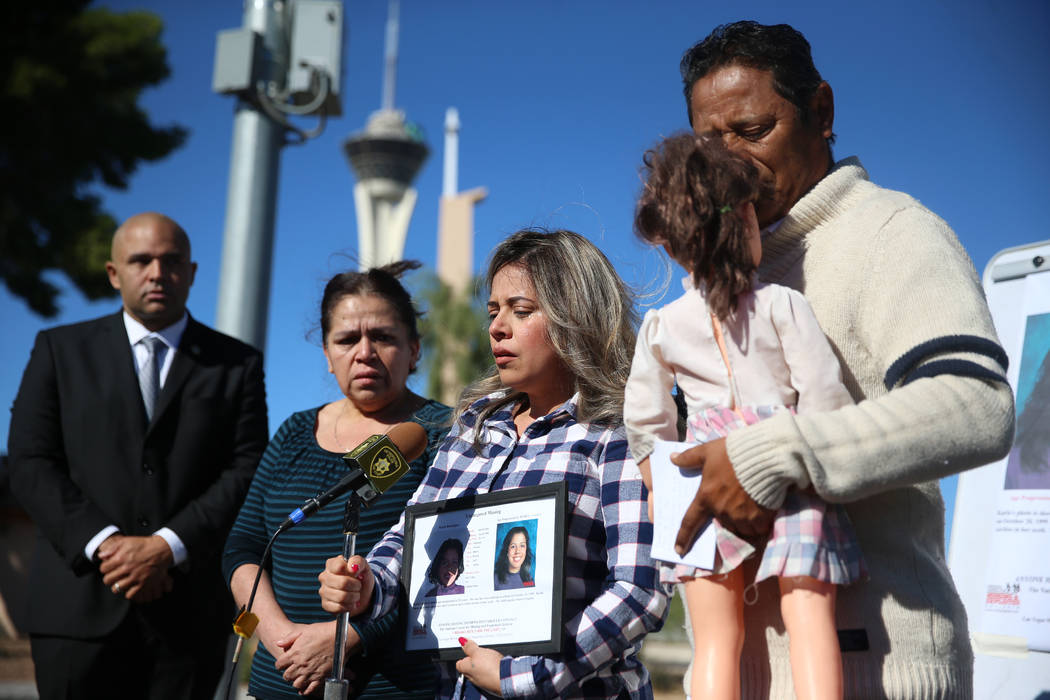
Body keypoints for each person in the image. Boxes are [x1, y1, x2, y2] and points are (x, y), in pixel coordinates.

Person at [671, 21, 1015, 697]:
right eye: (711, 144)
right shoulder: (702, 288)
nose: (732, 160)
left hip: (878, 672)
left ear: (821, 113)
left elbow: (977, 402)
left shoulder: (891, 232)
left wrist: (773, 455)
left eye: (753, 129)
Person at [318, 229, 669, 699]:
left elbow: (640, 590)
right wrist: (367, 586)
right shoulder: (469, 433)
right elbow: (408, 540)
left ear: (576, 317)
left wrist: (526, 678)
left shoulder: (616, 434)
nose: (496, 328)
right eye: (492, 312)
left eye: (520, 311)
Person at [625, 133, 865, 700]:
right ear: (747, 221)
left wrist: (661, 484)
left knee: (714, 641)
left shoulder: (662, 325)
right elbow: (825, 397)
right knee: (810, 619)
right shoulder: (783, 305)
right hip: (785, 457)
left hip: (699, 473)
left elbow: (646, 417)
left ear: (673, 243)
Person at [7, 212, 269, 699]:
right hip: (76, 610)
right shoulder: (59, 351)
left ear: (191, 273)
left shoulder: (238, 364)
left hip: (188, 616)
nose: (156, 272)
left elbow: (247, 468)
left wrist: (166, 546)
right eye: (141, 260)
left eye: (171, 261)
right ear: (114, 273)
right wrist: (106, 545)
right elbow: (29, 460)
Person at [222, 261, 452, 699]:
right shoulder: (294, 432)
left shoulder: (440, 432)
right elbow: (244, 546)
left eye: (383, 337)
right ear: (327, 356)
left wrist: (345, 638)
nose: (364, 352)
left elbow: (445, 566)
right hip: (280, 680)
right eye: (347, 340)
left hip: (391, 687)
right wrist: (281, 639)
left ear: (415, 348)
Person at [493, 525, 535, 590]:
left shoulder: (529, 581)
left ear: (526, 549)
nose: (517, 551)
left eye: (522, 545)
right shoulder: (494, 580)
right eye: (513, 546)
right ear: (507, 550)